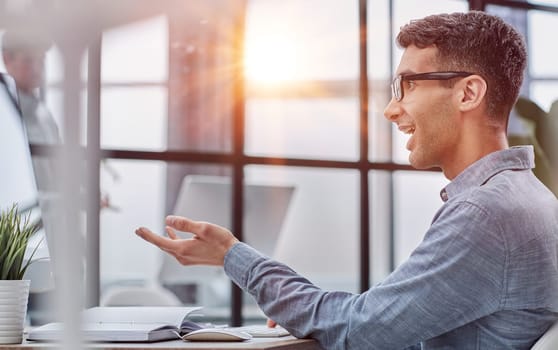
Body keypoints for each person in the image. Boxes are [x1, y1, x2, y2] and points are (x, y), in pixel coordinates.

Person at [135, 11, 558, 349]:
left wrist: (233, 256)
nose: (392, 110)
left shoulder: (485, 212)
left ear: (468, 93)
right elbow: (395, 323)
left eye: (406, 86)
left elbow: (362, 332)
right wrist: (312, 312)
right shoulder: (528, 198)